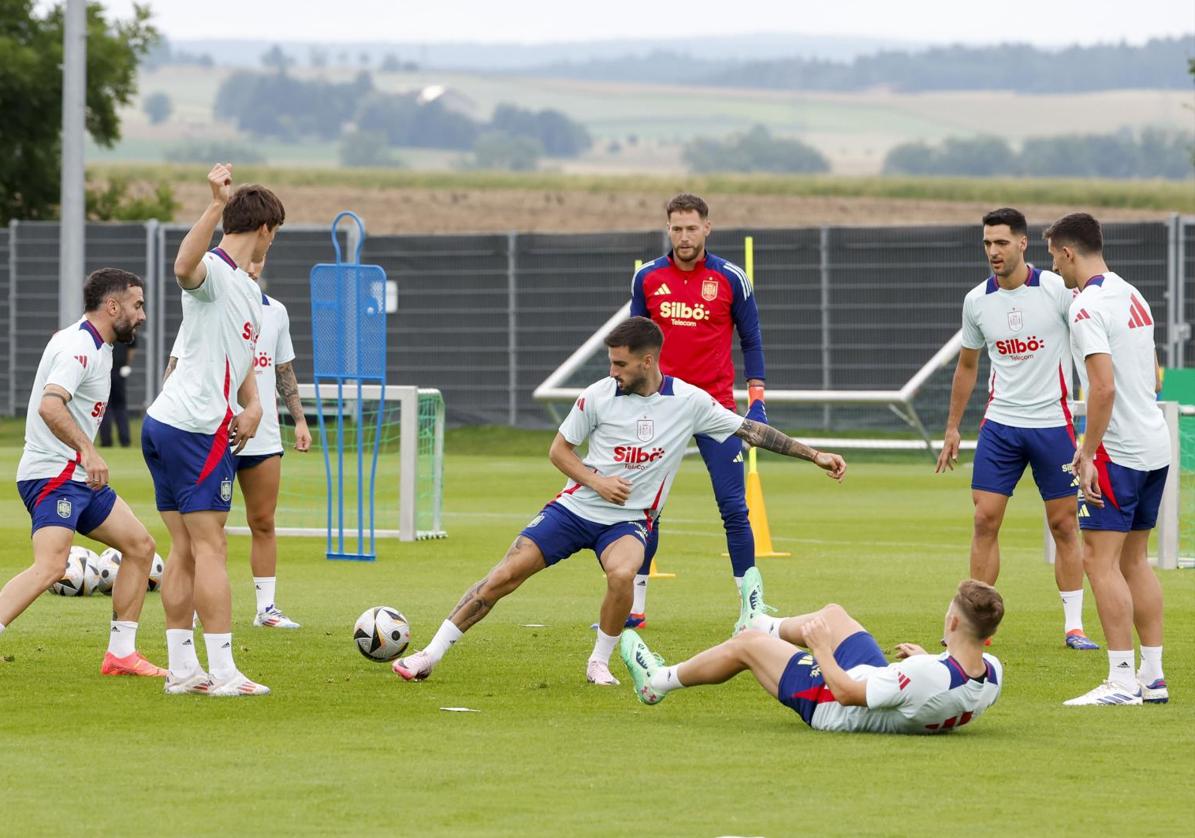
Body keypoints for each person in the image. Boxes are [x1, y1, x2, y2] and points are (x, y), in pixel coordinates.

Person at [393, 317, 845, 686]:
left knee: (623, 573)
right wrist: (597, 480)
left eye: (620, 364)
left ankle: (598, 663)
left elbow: (753, 431)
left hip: (629, 521)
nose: (613, 371)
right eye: (611, 363)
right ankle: (429, 655)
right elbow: (558, 451)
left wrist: (815, 455)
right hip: (575, 509)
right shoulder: (597, 396)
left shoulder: (690, 402)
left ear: (648, 361)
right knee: (503, 576)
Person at [143, 163, 283, 697]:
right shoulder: (216, 273)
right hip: (194, 430)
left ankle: (182, 670)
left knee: (183, 549)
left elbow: (238, 355)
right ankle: (223, 672)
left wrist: (251, 406)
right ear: (266, 230)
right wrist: (216, 203)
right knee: (212, 547)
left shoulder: (245, 288)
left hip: (167, 423)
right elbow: (182, 266)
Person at [935, 207, 1096, 650]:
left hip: (1052, 426)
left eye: (1001, 243)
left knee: (1064, 524)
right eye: (987, 243)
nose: (993, 251)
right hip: (1001, 425)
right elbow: (967, 367)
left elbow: (1090, 352)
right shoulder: (977, 301)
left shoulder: (1056, 291)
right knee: (984, 519)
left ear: (1023, 244)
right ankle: (975, 626)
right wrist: (952, 428)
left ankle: (1074, 626)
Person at [1, 268, 164, 676]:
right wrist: (89, 450)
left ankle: (121, 654)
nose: (142, 315)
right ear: (112, 306)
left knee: (141, 547)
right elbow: (49, 405)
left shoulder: (99, 345)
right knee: (52, 567)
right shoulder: (79, 348)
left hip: (78, 477)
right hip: (54, 476)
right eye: (137, 305)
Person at [626, 193, 768, 627]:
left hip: (715, 408)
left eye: (692, 227)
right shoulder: (648, 278)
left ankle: (752, 609)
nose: (684, 236)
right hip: (660, 406)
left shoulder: (731, 278)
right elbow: (633, 343)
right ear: (667, 229)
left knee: (733, 507)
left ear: (707, 227)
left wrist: (756, 402)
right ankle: (634, 607)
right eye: (676, 228)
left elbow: (752, 340)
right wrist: (628, 400)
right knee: (645, 509)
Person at [1045, 213, 1170, 706]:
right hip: (1155, 443)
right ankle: (1153, 678)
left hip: (1118, 452)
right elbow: (1153, 378)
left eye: (1053, 255)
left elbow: (1103, 386)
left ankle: (1120, 682)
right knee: (1136, 560)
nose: (1052, 265)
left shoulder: (1086, 307)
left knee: (1099, 560)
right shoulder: (1132, 294)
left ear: (1069, 253)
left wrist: (1087, 452)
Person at [621, 576, 1004, 735]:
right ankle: (761, 619)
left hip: (835, 708)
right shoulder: (992, 673)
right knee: (833, 615)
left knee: (748, 646)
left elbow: (846, 693)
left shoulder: (924, 672)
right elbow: (935, 681)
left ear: (952, 622)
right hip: (885, 681)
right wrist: (923, 660)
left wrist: (820, 649)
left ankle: (658, 681)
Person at [167, 255, 310, 628]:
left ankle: (267, 609)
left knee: (263, 520)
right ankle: (200, 607)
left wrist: (299, 420)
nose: (254, 264)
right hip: (214, 432)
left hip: (262, 435)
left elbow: (283, 369)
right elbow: (178, 361)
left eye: (261, 258)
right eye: (249, 257)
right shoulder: (210, 303)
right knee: (206, 529)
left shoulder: (276, 312)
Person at [98, 337, 134, 447]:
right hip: (115, 371)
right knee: (119, 407)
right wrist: (127, 365)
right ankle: (124, 441)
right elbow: (131, 349)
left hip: (108, 371)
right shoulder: (126, 327)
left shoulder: (104, 327)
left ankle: (107, 441)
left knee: (106, 407)